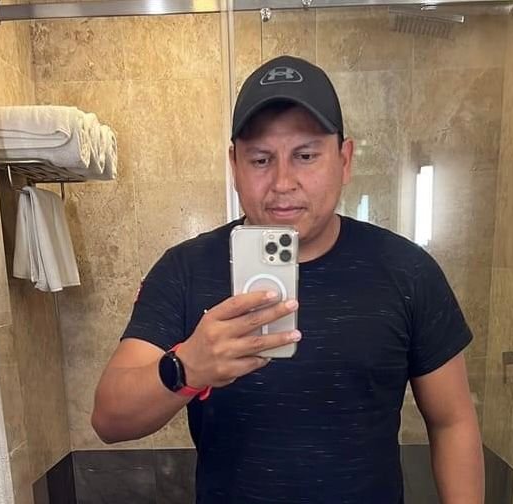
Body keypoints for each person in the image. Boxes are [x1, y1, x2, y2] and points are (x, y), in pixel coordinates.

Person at [92, 55, 484, 503]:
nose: (282, 182)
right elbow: (109, 419)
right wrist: (187, 367)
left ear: (344, 159)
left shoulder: (408, 271)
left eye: (305, 156)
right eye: (261, 159)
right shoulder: (184, 270)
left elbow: (453, 422)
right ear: (234, 165)